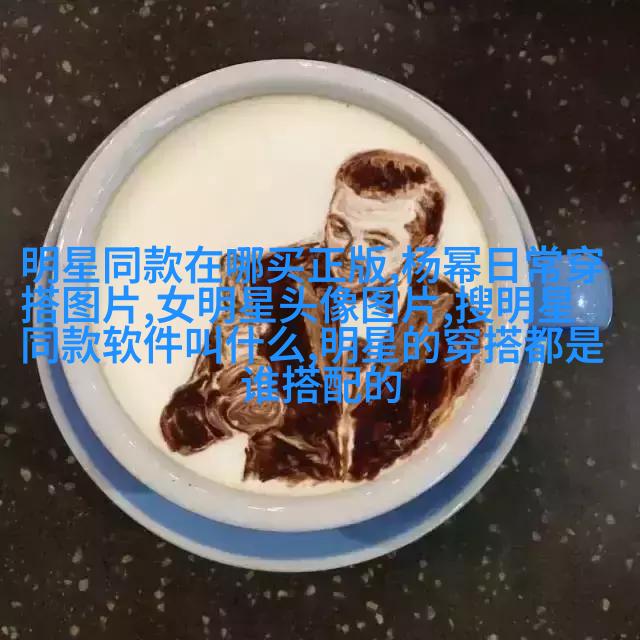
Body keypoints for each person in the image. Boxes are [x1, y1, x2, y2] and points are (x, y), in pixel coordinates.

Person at [160, 149, 483, 483]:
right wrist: (222, 411)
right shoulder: (266, 281)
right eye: (339, 229)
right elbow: (177, 430)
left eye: (377, 242)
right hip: (280, 499)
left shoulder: (458, 320)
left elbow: (461, 440)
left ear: (423, 249)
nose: (350, 254)